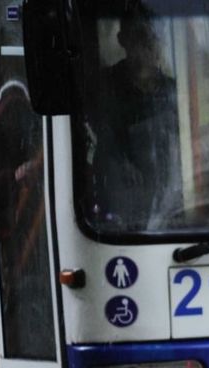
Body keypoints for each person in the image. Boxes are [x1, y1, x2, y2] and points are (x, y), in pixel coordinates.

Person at [87, 3, 181, 230]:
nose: (147, 46)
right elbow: (95, 132)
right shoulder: (105, 86)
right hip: (119, 198)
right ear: (123, 40)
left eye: (153, 38)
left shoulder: (174, 92)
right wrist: (121, 164)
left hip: (168, 199)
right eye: (139, 37)